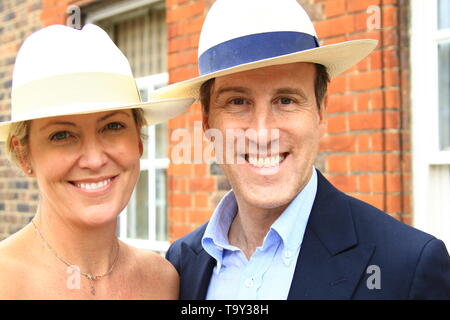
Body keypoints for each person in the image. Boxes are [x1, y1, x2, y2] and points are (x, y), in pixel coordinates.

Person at [160, 0, 450, 299]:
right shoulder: (181, 265)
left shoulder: (407, 267)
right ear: (207, 122)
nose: (262, 133)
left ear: (320, 113)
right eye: (237, 101)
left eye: (286, 100)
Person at [0, 24, 194, 299]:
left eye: (113, 127)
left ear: (138, 141)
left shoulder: (163, 280)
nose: (93, 159)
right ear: (24, 155)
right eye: (62, 134)